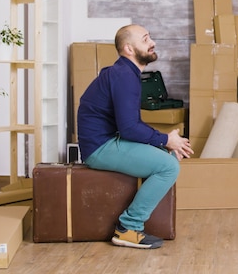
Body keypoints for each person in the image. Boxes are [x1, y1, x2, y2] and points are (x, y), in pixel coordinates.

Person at [77, 24, 194, 249]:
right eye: (145, 39)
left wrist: (164, 142)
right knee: (169, 167)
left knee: (165, 157)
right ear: (129, 49)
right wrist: (166, 140)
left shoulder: (124, 73)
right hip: (100, 148)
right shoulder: (124, 76)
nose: (153, 43)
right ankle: (129, 228)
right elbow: (130, 128)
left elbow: (131, 124)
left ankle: (131, 226)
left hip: (108, 141)